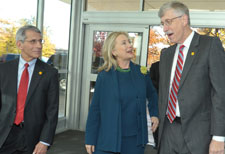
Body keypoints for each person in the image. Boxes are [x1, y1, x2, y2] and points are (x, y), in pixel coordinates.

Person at [157, 1, 225, 154]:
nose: (164, 28)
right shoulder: (166, 54)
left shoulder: (209, 45)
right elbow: (163, 95)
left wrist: (219, 137)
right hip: (168, 131)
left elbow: (221, 93)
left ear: (184, 19)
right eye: (162, 24)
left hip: (198, 135)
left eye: (168, 22)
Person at [85, 31, 159, 154]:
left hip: (135, 141)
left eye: (129, 42)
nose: (130, 45)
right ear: (114, 52)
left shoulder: (141, 72)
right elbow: (95, 109)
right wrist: (90, 138)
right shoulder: (105, 76)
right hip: (108, 140)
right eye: (124, 43)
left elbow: (152, 94)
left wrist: (154, 113)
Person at [0, 25, 59, 154]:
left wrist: (44, 141)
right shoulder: (3, 70)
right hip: (5, 135)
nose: (39, 45)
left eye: (40, 41)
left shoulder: (50, 73)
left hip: (32, 138)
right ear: (19, 44)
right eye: (33, 41)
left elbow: (52, 111)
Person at [150, 61, 160, 148]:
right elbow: (151, 80)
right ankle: (157, 142)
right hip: (157, 95)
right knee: (156, 120)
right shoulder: (155, 65)